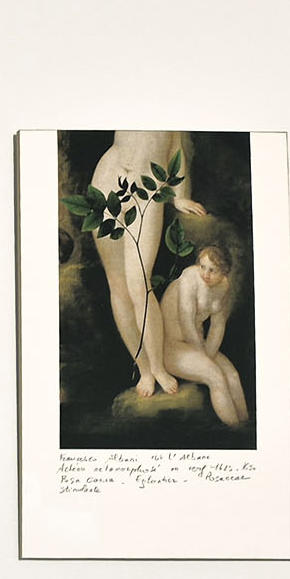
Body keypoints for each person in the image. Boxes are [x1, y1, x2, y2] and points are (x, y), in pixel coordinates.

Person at [87, 131, 208, 397]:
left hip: (147, 189)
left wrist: (179, 195)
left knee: (140, 285)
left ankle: (158, 367)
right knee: (118, 286)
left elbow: (176, 148)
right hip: (107, 179)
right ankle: (144, 369)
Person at [160, 245, 248, 426]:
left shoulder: (223, 286)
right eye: (203, 267)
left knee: (232, 375)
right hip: (171, 347)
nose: (205, 274)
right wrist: (204, 358)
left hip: (197, 345)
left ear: (224, 273)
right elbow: (186, 321)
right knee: (216, 377)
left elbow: (217, 326)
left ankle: (246, 426)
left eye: (212, 270)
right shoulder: (189, 278)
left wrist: (208, 353)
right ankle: (235, 429)